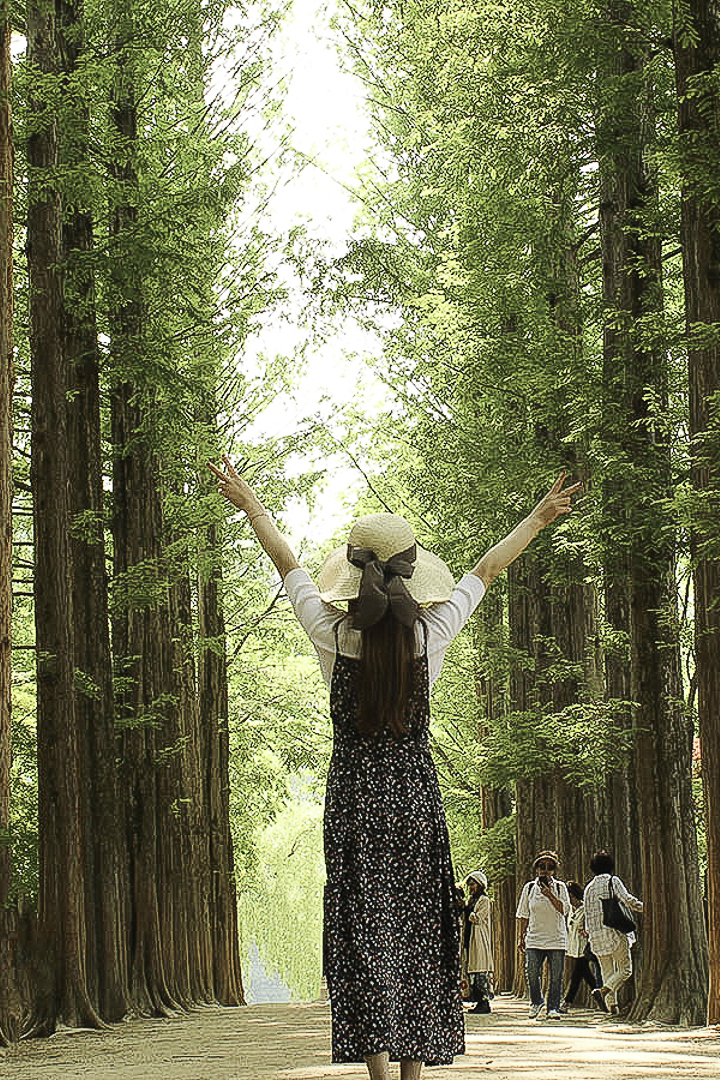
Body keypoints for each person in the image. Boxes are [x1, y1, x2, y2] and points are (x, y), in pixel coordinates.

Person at [214, 457, 581, 1080]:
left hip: (354, 801)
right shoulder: (431, 633)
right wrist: (541, 515)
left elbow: (286, 562)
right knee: (416, 928)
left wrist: (250, 503)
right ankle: (414, 1074)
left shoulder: (330, 634)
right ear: (412, 577)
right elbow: (488, 568)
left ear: (352, 575)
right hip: (413, 798)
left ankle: (378, 1072)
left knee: (364, 926)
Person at [581, 849, 645, 1016]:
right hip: (614, 933)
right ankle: (603, 991)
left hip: (596, 938)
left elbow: (587, 914)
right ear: (610, 866)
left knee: (607, 972)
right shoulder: (612, 881)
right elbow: (627, 899)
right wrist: (645, 907)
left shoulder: (588, 888)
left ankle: (613, 1009)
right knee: (625, 969)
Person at [515, 849, 570, 1020]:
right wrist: (521, 936)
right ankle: (536, 1001)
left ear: (554, 870)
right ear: (537, 869)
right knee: (531, 971)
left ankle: (552, 1007)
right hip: (534, 938)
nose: (545, 870)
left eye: (549, 867)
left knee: (556, 975)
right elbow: (523, 914)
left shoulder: (560, 888)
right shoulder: (529, 888)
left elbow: (565, 910)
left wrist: (550, 895)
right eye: (542, 866)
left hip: (556, 939)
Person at [561, 879, 604, 1010]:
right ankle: (600, 997)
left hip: (586, 947)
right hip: (575, 947)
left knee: (577, 974)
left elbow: (596, 925)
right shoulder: (570, 910)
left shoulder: (586, 909)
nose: (569, 899)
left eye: (570, 896)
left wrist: (587, 933)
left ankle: (567, 1002)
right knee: (585, 975)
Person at [462, 871, 495, 1013]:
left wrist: (466, 910)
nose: (471, 887)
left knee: (480, 970)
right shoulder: (471, 900)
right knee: (472, 970)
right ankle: (477, 1000)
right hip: (469, 938)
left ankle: (484, 1001)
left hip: (479, 939)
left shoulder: (484, 900)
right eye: (469, 885)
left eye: (473, 884)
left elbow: (478, 918)